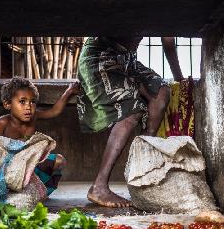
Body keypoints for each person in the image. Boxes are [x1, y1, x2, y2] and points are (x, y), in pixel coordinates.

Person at [77, 37, 183, 207]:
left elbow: (168, 40)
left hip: (127, 59)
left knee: (161, 92)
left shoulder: (165, 10)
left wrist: (181, 79)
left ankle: (141, 173)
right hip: (101, 54)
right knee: (132, 110)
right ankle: (99, 187)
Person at [0, 76, 80, 195]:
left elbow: (54, 112)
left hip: (30, 163)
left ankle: (40, 192)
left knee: (59, 160)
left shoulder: (34, 116)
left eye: (32, 102)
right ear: (7, 104)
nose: (28, 107)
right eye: (22, 101)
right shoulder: (2, 123)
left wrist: (69, 92)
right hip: (8, 168)